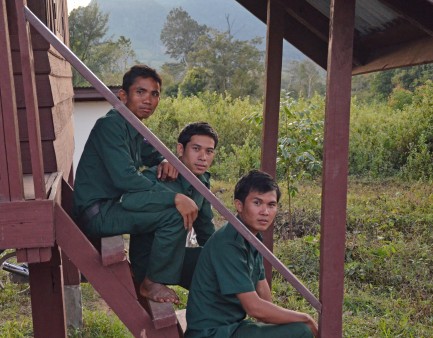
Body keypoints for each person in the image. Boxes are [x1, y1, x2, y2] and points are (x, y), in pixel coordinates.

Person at [73, 64, 199, 304]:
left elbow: (151, 153)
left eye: (154, 94)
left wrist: (163, 159)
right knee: (172, 215)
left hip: (110, 206)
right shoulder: (110, 125)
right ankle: (152, 282)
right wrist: (174, 198)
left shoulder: (133, 127)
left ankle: (144, 273)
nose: (148, 100)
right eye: (140, 92)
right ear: (123, 96)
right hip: (97, 212)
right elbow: (126, 178)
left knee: (156, 209)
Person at [185, 170, 318, 338]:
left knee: (292, 327)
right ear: (239, 205)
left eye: (271, 205)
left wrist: (273, 323)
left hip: (233, 326)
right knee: (301, 331)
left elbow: (261, 287)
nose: (265, 212)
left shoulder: (252, 236)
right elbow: (254, 308)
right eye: (257, 203)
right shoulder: (229, 243)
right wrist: (306, 318)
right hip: (212, 333)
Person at [127, 122, 218, 296]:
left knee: (222, 265)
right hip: (150, 262)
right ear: (180, 149)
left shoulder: (202, 182)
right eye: (196, 149)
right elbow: (132, 208)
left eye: (209, 151)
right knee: (213, 276)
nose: (203, 157)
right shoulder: (158, 176)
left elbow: (205, 228)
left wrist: (225, 254)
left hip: (175, 256)